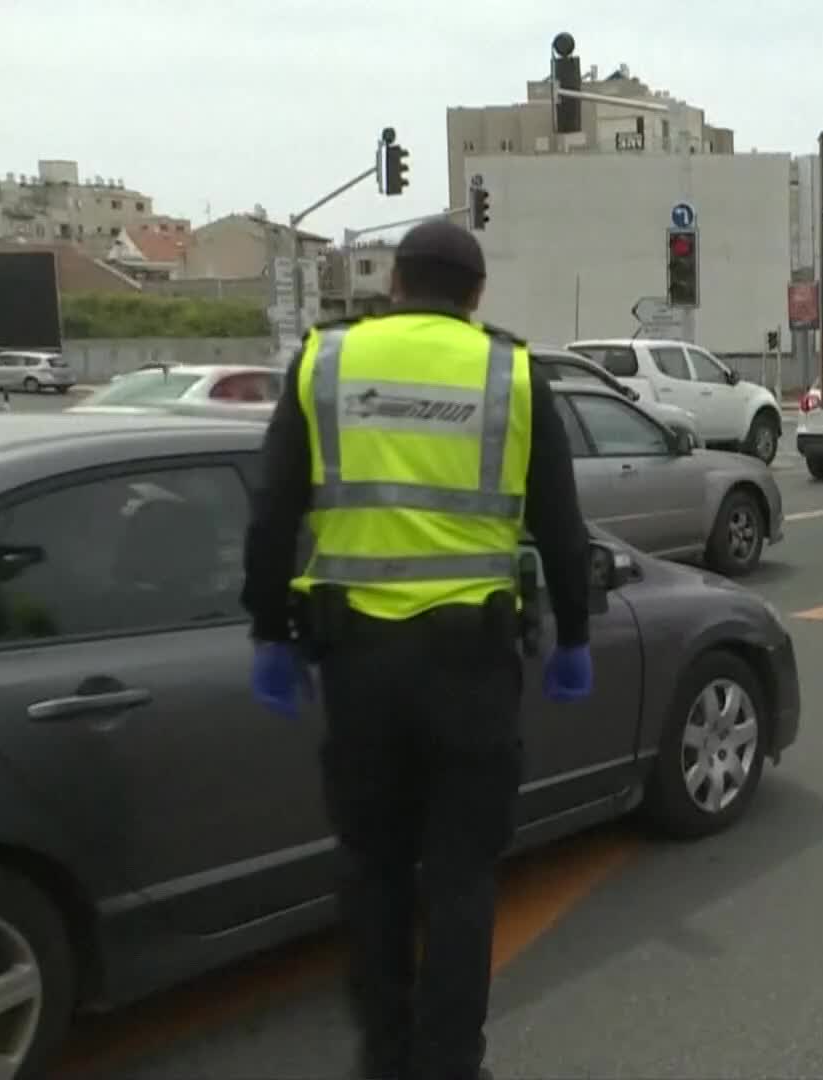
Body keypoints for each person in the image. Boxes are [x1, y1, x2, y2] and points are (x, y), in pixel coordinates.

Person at [240, 221, 595, 1080]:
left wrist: (270, 632)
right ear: (475, 296)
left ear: (394, 281)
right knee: (464, 880)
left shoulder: (325, 364)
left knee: (373, 869)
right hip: (470, 671)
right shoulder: (511, 375)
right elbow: (561, 527)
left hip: (357, 665)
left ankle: (385, 1056)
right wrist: (574, 637)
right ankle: (449, 1064)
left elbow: (273, 513)